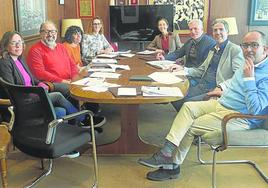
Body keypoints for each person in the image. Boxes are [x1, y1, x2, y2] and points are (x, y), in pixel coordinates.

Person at [138, 30, 268, 181]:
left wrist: (250, 79)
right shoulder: (248, 63)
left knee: (190, 126)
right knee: (188, 107)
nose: (248, 49)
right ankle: (166, 153)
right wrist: (221, 88)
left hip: (239, 116)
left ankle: (172, 167)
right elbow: (233, 81)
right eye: (245, 45)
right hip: (223, 103)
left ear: (265, 49)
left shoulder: (263, 75)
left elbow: (256, 109)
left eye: (254, 45)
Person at [0, 31, 85, 158]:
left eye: (20, 42)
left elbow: (32, 80)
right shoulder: (4, 63)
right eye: (13, 43)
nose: (18, 46)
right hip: (23, 104)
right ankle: (83, 118)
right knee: (57, 96)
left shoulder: (20, 59)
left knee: (60, 110)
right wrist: (36, 93)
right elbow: (11, 89)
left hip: (33, 97)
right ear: (6, 45)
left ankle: (60, 145)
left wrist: (40, 84)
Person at [26, 20, 106, 128]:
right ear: (41, 33)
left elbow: (72, 65)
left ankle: (89, 113)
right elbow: (40, 73)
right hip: (51, 84)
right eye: (46, 32)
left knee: (88, 82)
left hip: (68, 80)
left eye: (53, 31)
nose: (50, 34)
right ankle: (83, 119)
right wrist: (63, 81)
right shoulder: (35, 50)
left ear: (57, 32)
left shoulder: (60, 47)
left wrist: (75, 78)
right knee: (72, 89)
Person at [171, 19, 244, 111]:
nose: (218, 32)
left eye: (221, 29)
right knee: (176, 97)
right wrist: (183, 69)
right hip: (202, 85)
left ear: (227, 32)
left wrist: (222, 86)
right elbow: (201, 70)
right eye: (215, 30)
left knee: (186, 103)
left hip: (215, 88)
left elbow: (239, 75)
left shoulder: (234, 49)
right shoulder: (213, 49)